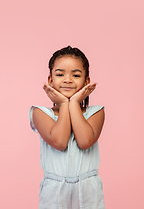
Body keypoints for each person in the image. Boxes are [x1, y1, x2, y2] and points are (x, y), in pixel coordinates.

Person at [28, 46, 106, 209]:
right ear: (50, 80)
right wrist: (64, 103)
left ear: (86, 82)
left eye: (76, 75)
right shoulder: (40, 113)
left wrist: (74, 103)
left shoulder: (95, 112)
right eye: (60, 74)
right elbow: (60, 142)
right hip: (55, 191)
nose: (68, 79)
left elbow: (85, 141)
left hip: (88, 190)